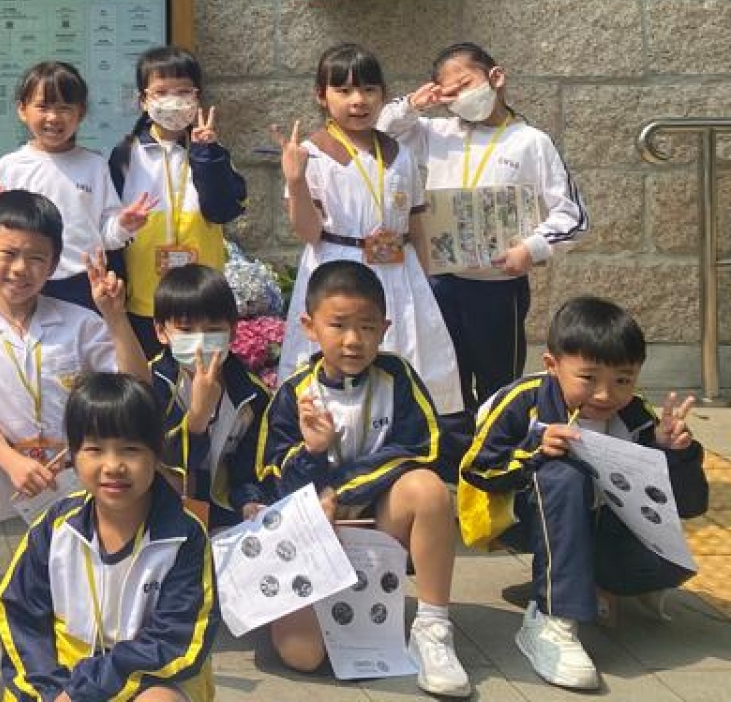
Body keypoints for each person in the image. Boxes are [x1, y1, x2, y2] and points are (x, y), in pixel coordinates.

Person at [460, 296, 706, 690]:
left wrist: (674, 453)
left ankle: (593, 583)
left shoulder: (636, 415)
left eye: (622, 380)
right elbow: (476, 469)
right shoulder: (523, 400)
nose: (605, 395)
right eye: (588, 378)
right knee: (563, 473)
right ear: (552, 365)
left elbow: (691, 505)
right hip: (522, 517)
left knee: (665, 567)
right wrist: (535, 451)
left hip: (600, 525)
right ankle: (552, 619)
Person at [256, 259, 467, 697]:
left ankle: (432, 628)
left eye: (367, 327)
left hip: (379, 525)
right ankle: (322, 609)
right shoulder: (293, 394)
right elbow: (273, 479)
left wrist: (340, 489)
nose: (353, 340)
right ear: (309, 326)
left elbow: (422, 449)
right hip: (319, 532)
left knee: (428, 490)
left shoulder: (398, 378)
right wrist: (313, 453)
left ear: (385, 328)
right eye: (338, 325)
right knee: (303, 656)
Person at [0, 190, 149, 525]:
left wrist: (115, 318)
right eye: (9, 254)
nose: (20, 269)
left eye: (36, 259)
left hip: (80, 467)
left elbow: (138, 387)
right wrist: (12, 463)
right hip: (9, 466)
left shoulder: (81, 324)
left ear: (53, 265)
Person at [380, 42, 587, 415]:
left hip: (497, 285)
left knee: (498, 382)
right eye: (450, 94)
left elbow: (572, 216)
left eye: (465, 85)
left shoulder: (531, 142)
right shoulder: (434, 132)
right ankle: (452, 445)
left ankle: (496, 444)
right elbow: (380, 131)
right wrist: (412, 105)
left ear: (496, 77)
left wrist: (532, 249)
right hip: (439, 281)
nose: (460, 98)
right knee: (444, 379)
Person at [0, 373, 218, 702]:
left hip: (147, 676)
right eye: (95, 449)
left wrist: (83, 691)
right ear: (73, 456)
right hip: (59, 677)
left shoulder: (185, 536)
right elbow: (20, 615)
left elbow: (174, 639)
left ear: (157, 454)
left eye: (130, 449)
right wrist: (52, 691)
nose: (113, 465)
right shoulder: (54, 527)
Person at [273, 44, 464, 416]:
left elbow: (416, 227)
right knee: (338, 358)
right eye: (344, 90)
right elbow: (308, 233)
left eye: (368, 89)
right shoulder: (312, 154)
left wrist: (424, 283)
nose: (358, 100)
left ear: (382, 94)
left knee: (408, 356)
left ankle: (407, 433)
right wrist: (295, 181)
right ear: (321, 95)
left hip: (400, 272)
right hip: (338, 268)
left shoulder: (400, 154)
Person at [108, 47, 246, 357]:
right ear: (144, 100)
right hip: (145, 300)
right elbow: (108, 225)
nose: (173, 100)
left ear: (197, 97)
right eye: (161, 92)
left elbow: (224, 209)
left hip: (202, 298)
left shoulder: (213, 152)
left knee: (203, 371)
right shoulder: (126, 155)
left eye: (183, 91)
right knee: (151, 376)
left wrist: (206, 155)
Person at [0, 60, 151, 304]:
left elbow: (106, 234)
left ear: (81, 113)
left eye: (64, 108)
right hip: (25, 279)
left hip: (83, 281)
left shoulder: (95, 166)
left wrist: (123, 225)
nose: (53, 117)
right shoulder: (10, 166)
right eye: (43, 106)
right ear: (22, 110)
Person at [148, 263, 269, 528]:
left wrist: (249, 501)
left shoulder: (253, 395)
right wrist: (199, 416)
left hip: (224, 513)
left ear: (233, 331)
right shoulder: (151, 384)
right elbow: (167, 463)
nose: (201, 342)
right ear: (161, 331)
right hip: (159, 512)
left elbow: (248, 469)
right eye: (186, 330)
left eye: (213, 330)